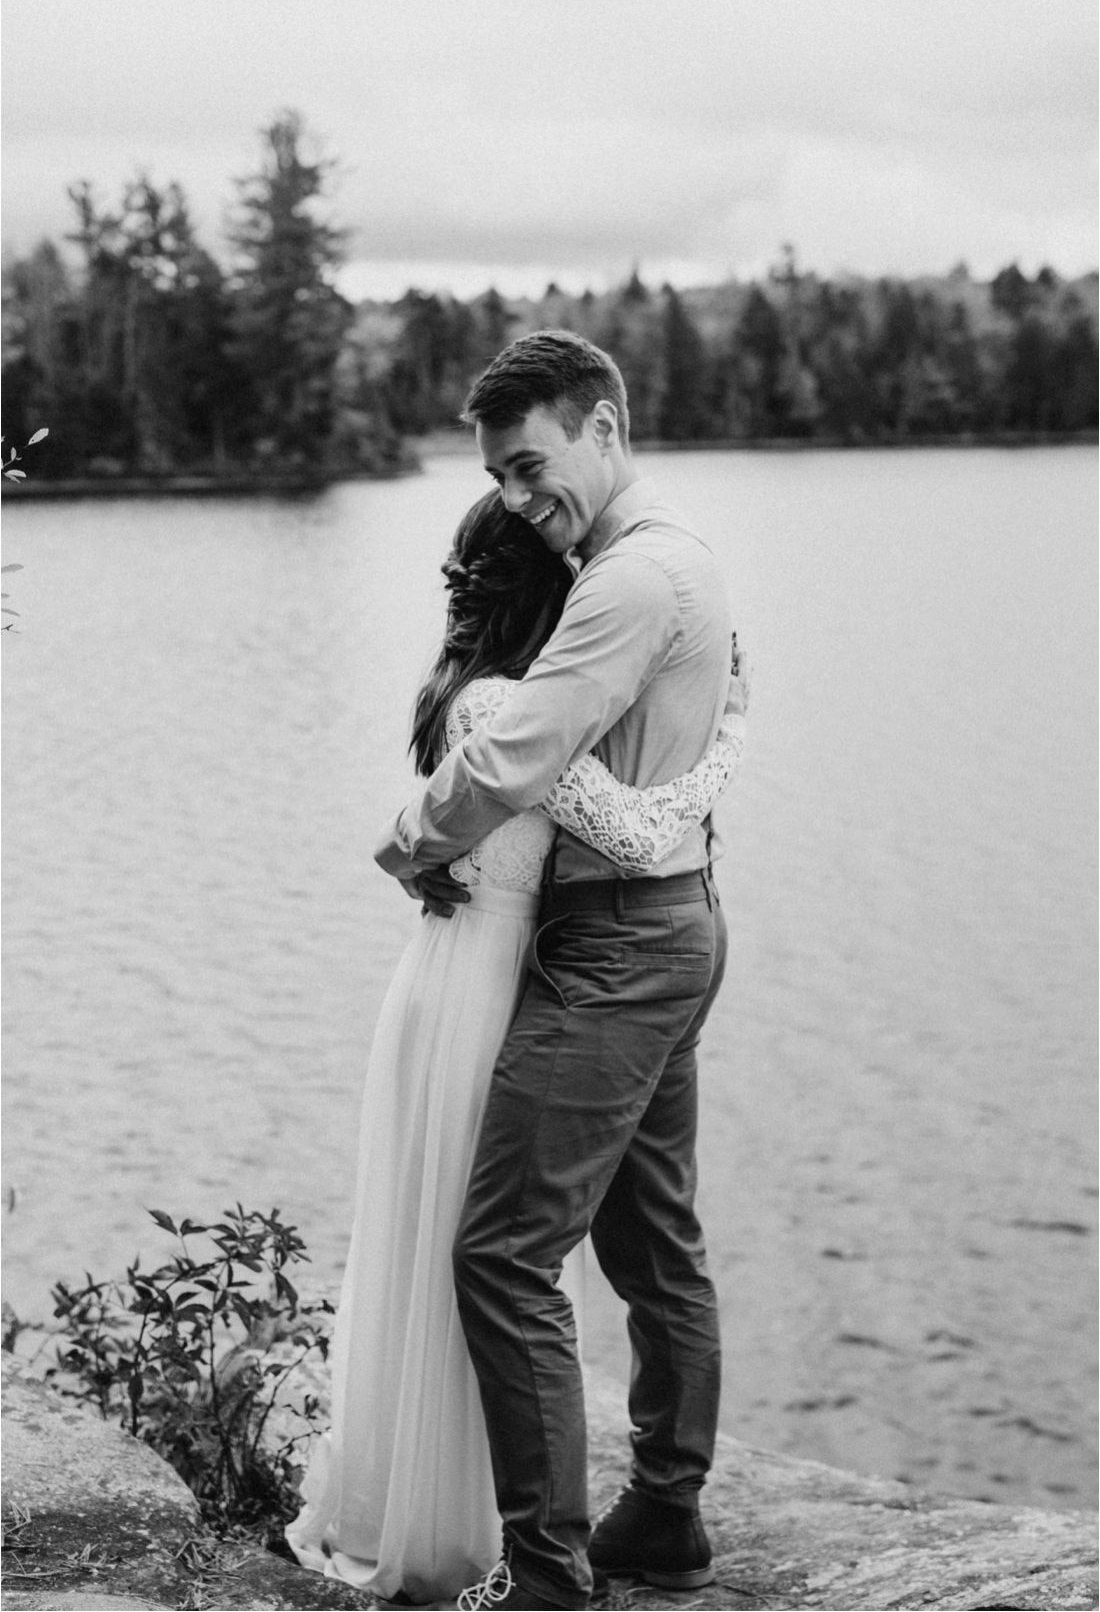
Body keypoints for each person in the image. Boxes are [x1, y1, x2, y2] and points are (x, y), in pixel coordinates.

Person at [287, 487, 746, 1607]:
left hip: (547, 971)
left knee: (600, 1244)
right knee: (578, 1246)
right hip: (538, 971)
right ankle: (589, 1541)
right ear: (548, 595)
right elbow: (637, 829)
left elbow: (609, 822)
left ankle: (605, 1536)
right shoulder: (507, 706)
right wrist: (731, 731)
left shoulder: (502, 694)